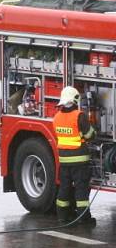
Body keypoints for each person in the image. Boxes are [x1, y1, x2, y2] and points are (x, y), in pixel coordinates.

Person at [53, 86, 96, 225]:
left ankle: (62, 217)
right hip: (79, 161)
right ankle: (84, 218)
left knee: (64, 188)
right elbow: (89, 135)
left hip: (64, 161)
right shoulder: (79, 116)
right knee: (81, 189)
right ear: (75, 99)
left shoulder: (57, 117)